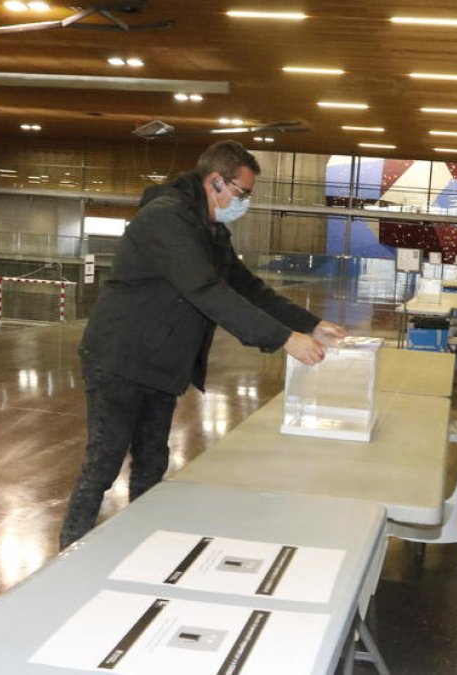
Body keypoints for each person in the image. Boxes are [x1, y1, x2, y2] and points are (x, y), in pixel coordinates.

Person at [59, 140, 345, 549]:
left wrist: (311, 325)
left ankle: (141, 545)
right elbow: (205, 290)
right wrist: (283, 339)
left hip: (161, 363)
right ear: (215, 182)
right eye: (242, 193)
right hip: (120, 359)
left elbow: (247, 288)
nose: (244, 203)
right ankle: (68, 553)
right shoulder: (166, 221)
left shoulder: (210, 231)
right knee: (103, 464)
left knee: (152, 462)